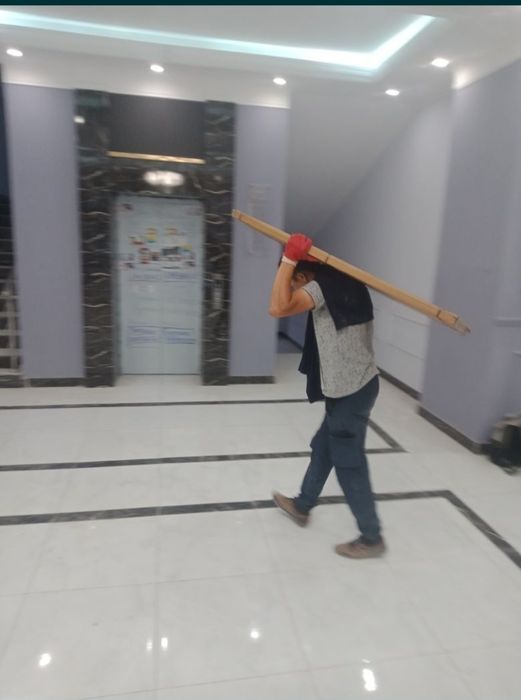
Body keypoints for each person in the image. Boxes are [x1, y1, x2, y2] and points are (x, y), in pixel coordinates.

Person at [269, 233, 385, 558]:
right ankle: (302, 506)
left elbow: (277, 307)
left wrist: (288, 259)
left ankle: (371, 538)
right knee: (323, 448)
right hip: (353, 387)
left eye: (294, 283)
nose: (293, 290)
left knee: (349, 464)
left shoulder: (321, 288)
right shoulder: (345, 282)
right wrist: (292, 266)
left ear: (304, 276)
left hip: (351, 392)